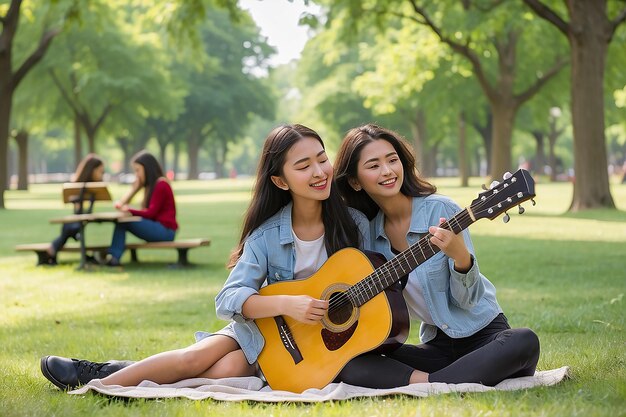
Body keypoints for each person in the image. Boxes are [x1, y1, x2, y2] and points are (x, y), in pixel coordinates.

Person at [40, 124, 372, 391]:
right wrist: (287, 304)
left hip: (307, 348)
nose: (319, 171)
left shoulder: (354, 225)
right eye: (303, 166)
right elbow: (229, 298)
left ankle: (124, 369)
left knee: (224, 372)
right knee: (191, 361)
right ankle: (97, 382)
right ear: (279, 180)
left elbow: (380, 281)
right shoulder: (267, 236)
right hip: (260, 332)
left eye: (322, 159)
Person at [333, 123, 540, 388]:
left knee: (523, 341)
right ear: (354, 181)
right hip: (436, 348)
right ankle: (442, 381)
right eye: (373, 166)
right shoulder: (366, 234)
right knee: (348, 359)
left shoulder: (441, 211)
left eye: (392, 160)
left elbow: (467, 301)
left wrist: (460, 259)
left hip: (484, 336)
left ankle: (433, 383)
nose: (387, 171)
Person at [103, 151, 178, 266]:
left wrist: (129, 210)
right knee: (122, 222)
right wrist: (134, 189)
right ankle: (113, 257)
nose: (136, 174)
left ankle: (113, 257)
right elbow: (121, 205)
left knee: (123, 222)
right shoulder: (150, 186)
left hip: (165, 231)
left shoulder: (161, 184)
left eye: (138, 170)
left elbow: (151, 213)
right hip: (158, 228)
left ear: (147, 169)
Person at [45, 154, 105, 265]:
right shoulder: (80, 187)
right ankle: (53, 251)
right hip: (75, 222)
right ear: (92, 170)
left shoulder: (88, 185)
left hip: (75, 222)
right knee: (71, 229)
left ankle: (52, 250)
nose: (101, 174)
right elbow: (78, 209)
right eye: (100, 171)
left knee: (68, 231)